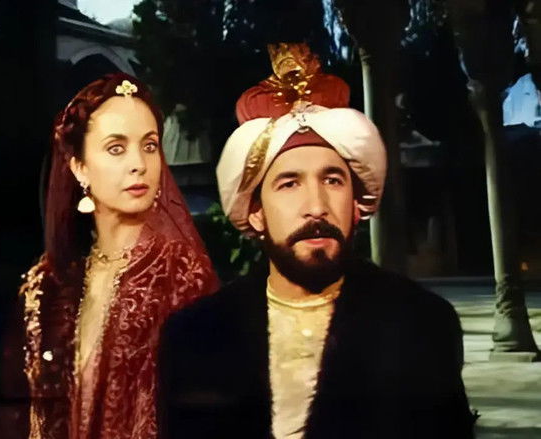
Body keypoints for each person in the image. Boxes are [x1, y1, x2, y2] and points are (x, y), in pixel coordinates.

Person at [157, 43, 476, 439]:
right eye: (289, 184)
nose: (317, 207)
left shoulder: (421, 324)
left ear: (357, 203)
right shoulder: (196, 336)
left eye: (333, 180)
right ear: (255, 212)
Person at [3, 72, 218, 439]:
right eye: (116, 148)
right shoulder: (47, 284)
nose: (139, 163)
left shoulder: (184, 278)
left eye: (150, 146)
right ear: (79, 167)